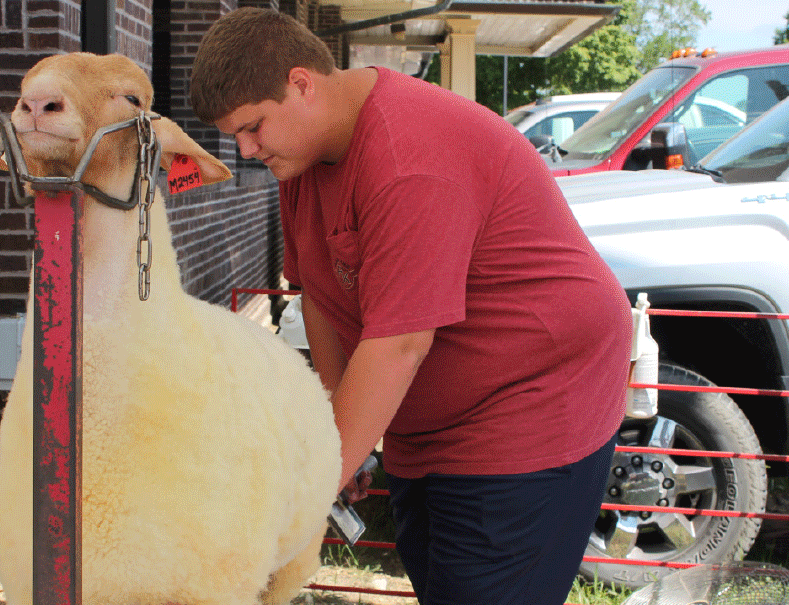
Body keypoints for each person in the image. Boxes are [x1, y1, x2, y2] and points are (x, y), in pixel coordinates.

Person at [190, 8, 631, 604]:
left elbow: (401, 343)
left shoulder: (407, 157)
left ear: (301, 83)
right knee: (441, 582)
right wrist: (334, 442)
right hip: (432, 415)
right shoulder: (304, 156)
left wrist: (313, 487)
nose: (245, 150)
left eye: (253, 127)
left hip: (532, 396)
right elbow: (320, 297)